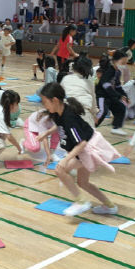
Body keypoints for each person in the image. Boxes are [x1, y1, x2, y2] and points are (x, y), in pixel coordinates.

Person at [38, 82, 120, 216]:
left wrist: (66, 160)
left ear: (55, 100)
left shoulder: (69, 117)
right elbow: (59, 126)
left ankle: (81, 201)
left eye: (45, 102)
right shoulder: (59, 112)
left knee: (60, 169)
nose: (44, 105)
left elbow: (81, 143)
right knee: (83, 183)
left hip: (86, 149)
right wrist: (46, 133)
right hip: (82, 149)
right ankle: (109, 206)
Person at [95, 51, 128, 135]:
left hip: (111, 96)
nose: (124, 65)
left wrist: (124, 95)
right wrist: (118, 96)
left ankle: (116, 127)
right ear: (115, 61)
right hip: (102, 96)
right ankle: (91, 128)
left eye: (125, 63)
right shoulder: (109, 70)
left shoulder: (118, 72)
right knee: (103, 111)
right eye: (122, 62)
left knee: (121, 107)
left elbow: (118, 86)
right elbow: (105, 85)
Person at [60, 55, 97, 127]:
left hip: (68, 114)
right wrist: (94, 114)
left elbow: (59, 96)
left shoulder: (66, 78)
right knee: (89, 136)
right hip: (85, 115)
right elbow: (93, 102)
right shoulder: (89, 82)